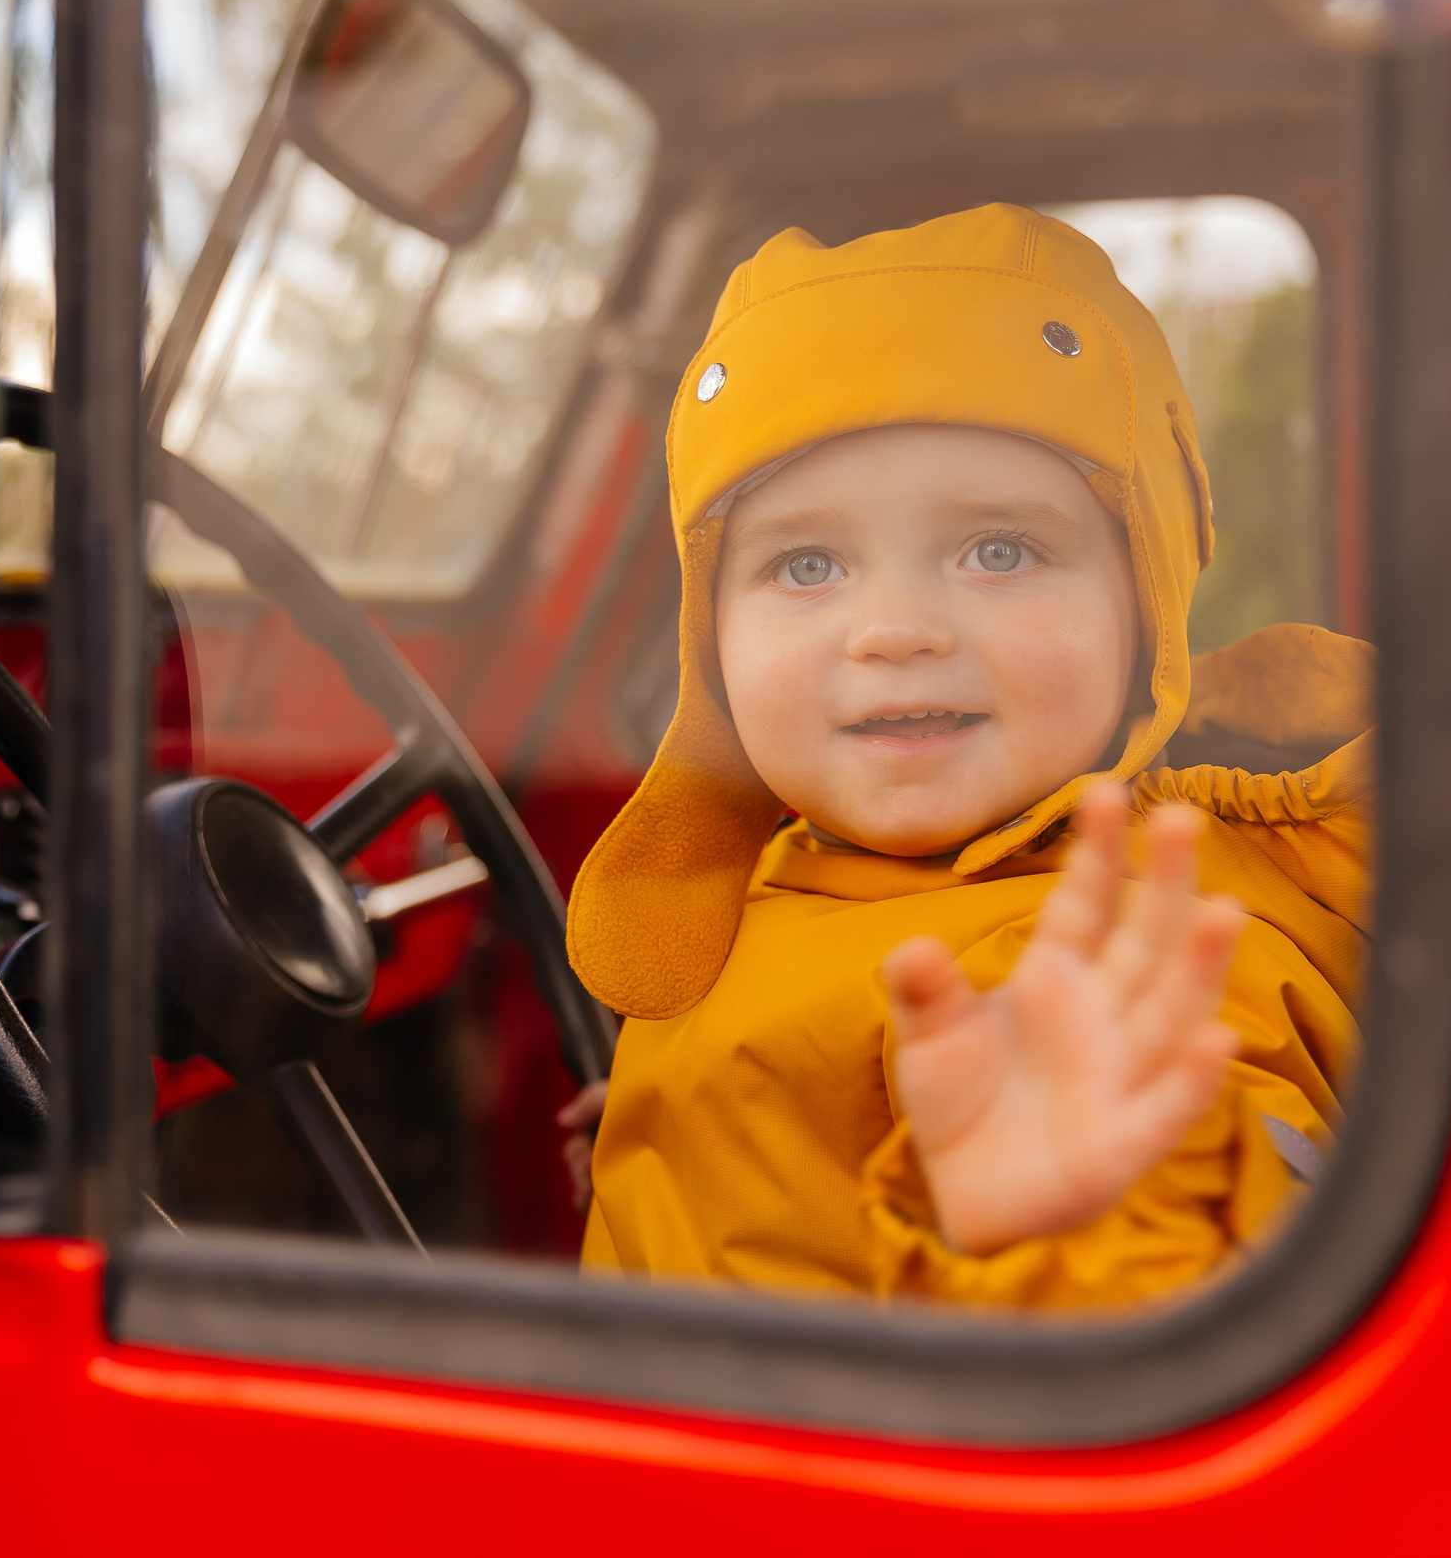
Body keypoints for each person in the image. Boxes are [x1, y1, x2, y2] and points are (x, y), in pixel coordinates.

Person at [558, 203, 1372, 1308]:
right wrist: (681, 1136)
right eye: (806, 567)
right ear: (710, 634)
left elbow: (1220, 1327)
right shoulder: (804, 859)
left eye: (998, 550)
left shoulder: (1130, 964)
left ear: (1145, 605)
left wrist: (1075, 1227)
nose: (894, 630)